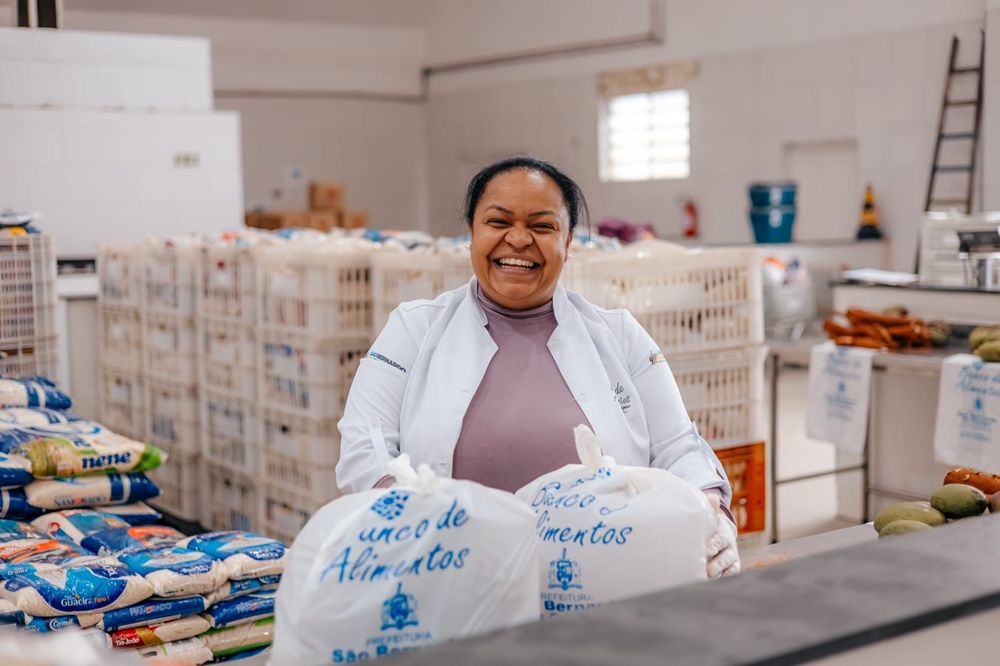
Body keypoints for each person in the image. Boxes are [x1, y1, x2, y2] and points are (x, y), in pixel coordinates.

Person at [336, 156, 740, 578]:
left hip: (601, 582)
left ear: (567, 244)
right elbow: (366, 446)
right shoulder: (414, 327)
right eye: (498, 221)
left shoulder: (620, 334)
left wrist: (710, 512)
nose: (518, 238)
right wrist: (418, 523)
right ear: (471, 235)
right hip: (449, 576)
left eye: (543, 226)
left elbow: (679, 444)